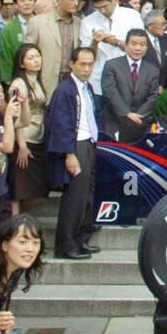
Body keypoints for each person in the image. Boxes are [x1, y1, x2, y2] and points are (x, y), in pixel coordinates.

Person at [46, 47, 102, 260]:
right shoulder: (65, 89)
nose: (87, 69)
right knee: (75, 197)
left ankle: (81, 239)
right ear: (72, 64)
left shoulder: (86, 87)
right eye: (82, 64)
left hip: (89, 143)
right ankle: (66, 245)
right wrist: (69, 154)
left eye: (90, 64)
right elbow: (61, 124)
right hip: (75, 146)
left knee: (88, 196)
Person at [80, 0, 145, 94]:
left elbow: (140, 48)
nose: (102, 11)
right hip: (98, 80)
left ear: (113, 0)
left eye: (105, 6)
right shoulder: (87, 22)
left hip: (126, 78)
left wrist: (117, 42)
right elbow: (86, 55)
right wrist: (95, 42)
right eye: (98, 8)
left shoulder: (132, 16)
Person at [100, 29, 161, 142]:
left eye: (142, 44)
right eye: (133, 44)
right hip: (115, 121)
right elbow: (110, 92)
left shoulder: (153, 70)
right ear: (126, 45)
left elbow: (153, 97)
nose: (138, 48)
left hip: (140, 122)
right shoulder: (112, 65)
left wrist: (137, 116)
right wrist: (127, 114)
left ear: (147, 47)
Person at [8, 43, 48, 211]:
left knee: (37, 191)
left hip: (39, 135)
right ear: (21, 63)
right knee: (20, 190)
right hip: (24, 136)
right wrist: (21, 144)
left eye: (37, 56)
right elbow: (14, 116)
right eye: (30, 58)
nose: (36, 61)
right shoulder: (18, 83)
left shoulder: (38, 80)